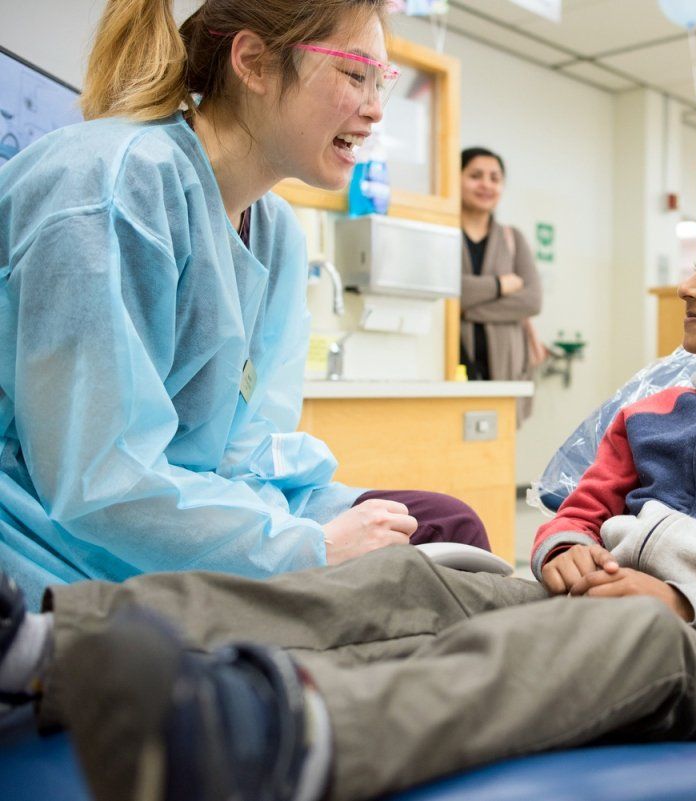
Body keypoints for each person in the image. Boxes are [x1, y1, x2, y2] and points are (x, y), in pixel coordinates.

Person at [0, 191, 696, 801]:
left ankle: (290, 737)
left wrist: (682, 600)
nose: (690, 283)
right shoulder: (658, 409)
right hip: (589, 598)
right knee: (421, 580)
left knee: (626, 630)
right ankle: (50, 641)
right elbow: (574, 512)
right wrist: (564, 550)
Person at [0, 0, 491, 606]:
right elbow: (100, 479)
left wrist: (313, 518)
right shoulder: (112, 185)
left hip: (187, 506)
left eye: (381, 80)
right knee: (406, 602)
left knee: (447, 528)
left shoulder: (275, 229)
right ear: (254, 63)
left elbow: (241, 443)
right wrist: (306, 547)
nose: (375, 110)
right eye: (354, 74)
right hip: (54, 540)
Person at [458, 146, 544, 423]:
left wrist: (466, 308)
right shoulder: (443, 233)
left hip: (506, 370)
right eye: (475, 175)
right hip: (453, 366)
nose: (486, 184)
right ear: (456, 178)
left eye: (495, 178)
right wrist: (498, 285)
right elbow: (443, 293)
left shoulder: (512, 238)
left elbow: (531, 300)